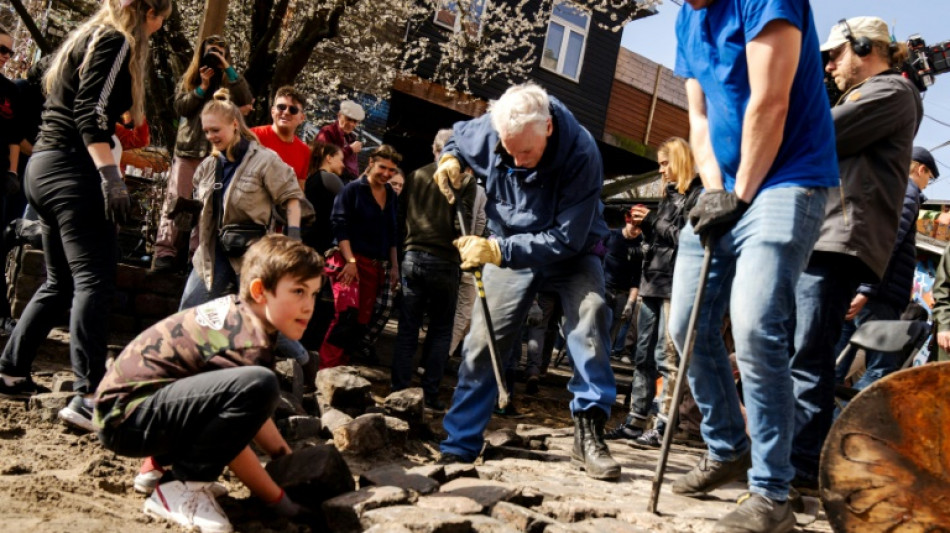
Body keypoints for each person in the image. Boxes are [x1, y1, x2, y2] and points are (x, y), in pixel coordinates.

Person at [667, 1, 838, 531]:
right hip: (726, 185)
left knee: (756, 324)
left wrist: (738, 198)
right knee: (684, 325)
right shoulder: (685, 19)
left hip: (788, 179)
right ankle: (728, 447)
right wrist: (716, 191)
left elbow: (770, 102)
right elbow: (698, 118)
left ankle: (772, 493)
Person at [0, 0, 173, 431]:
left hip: (43, 165)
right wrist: (111, 177)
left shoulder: (86, 38)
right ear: (148, 13)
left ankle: (10, 370)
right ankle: (88, 396)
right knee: (95, 279)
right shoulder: (116, 40)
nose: (154, 33)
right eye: (158, 24)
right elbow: (91, 114)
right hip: (72, 171)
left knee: (59, 282)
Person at [435, 83, 620, 481]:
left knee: (590, 317)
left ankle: (588, 432)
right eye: (509, 150)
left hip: (572, 248)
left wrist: (499, 252)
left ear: (548, 128)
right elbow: (458, 140)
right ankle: (460, 442)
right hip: (506, 245)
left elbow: (566, 238)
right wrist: (450, 160)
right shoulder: (495, 127)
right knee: (484, 340)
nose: (517, 161)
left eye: (527, 153)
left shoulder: (583, 153)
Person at [95, 235, 321, 532]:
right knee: (260, 385)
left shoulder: (243, 318)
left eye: (315, 294)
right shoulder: (245, 340)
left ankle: (161, 470)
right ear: (260, 291)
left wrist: (286, 459)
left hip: (133, 412)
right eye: (298, 291)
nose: (308, 306)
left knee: (255, 389)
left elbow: (248, 418)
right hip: (126, 419)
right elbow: (234, 442)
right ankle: (183, 487)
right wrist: (280, 501)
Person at [789, 16, 922, 493]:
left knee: (808, 356)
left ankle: (801, 467)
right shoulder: (875, 94)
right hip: (827, 237)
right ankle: (791, 459)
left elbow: (820, 132)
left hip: (839, 241)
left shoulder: (891, 92)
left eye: (836, 54)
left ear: (865, 47)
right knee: (801, 351)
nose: (829, 65)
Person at [607, 137, 702, 448]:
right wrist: (646, 234)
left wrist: (653, 224)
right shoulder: (668, 197)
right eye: (659, 165)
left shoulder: (697, 195)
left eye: (665, 164)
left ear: (680, 162)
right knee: (642, 354)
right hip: (651, 281)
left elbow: (688, 239)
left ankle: (662, 425)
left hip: (676, 284)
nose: (661, 171)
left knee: (667, 357)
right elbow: (662, 240)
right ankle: (636, 420)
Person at [179, 89, 303, 310]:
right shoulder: (208, 166)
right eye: (206, 131)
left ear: (235, 124)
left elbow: (292, 198)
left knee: (263, 319)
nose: (210, 137)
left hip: (251, 251)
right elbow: (204, 204)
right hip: (212, 251)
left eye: (215, 130)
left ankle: (293, 347)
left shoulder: (265, 160)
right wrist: (187, 211)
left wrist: (294, 237)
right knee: (188, 312)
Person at [834, 146, 936, 389]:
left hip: (859, 290)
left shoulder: (886, 187)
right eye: (928, 179)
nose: (925, 184)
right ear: (920, 169)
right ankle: (847, 423)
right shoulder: (909, 193)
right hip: (879, 296)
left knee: (834, 366)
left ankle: (819, 424)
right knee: (881, 370)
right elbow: (888, 241)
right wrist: (868, 290)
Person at [152, 34, 253, 272]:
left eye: (220, 50)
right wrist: (202, 87)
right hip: (188, 149)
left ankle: (196, 259)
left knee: (206, 206)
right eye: (211, 50)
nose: (215, 54)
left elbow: (246, 99)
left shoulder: (230, 82)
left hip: (216, 153)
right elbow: (180, 107)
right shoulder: (191, 79)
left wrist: (226, 68)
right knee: (177, 201)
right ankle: (164, 253)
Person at [391, 129, 475, 411]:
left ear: (434, 148)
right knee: (440, 331)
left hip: (413, 255)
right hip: (444, 260)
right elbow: (461, 226)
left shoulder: (415, 176)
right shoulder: (463, 180)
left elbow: (400, 218)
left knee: (407, 329)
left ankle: (398, 390)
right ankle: (430, 394)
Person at [319, 144, 401, 369]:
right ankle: (326, 368)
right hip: (347, 260)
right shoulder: (352, 189)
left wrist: (394, 266)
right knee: (346, 314)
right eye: (382, 167)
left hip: (375, 266)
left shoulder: (392, 196)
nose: (386, 174)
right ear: (371, 163)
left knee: (361, 321)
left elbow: (393, 233)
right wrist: (351, 261)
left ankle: (342, 367)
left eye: (392, 170)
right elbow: (339, 226)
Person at [250, 86, 310, 189]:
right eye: (281, 107)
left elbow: (299, 191)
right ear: (273, 111)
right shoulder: (252, 137)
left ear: (301, 118)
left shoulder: (304, 151)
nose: (286, 112)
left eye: (293, 109)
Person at [316, 100, 364, 182]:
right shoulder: (328, 131)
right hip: (330, 180)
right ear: (339, 115)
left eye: (355, 121)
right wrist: (350, 149)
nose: (351, 124)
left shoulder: (351, 138)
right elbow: (323, 157)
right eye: (348, 119)